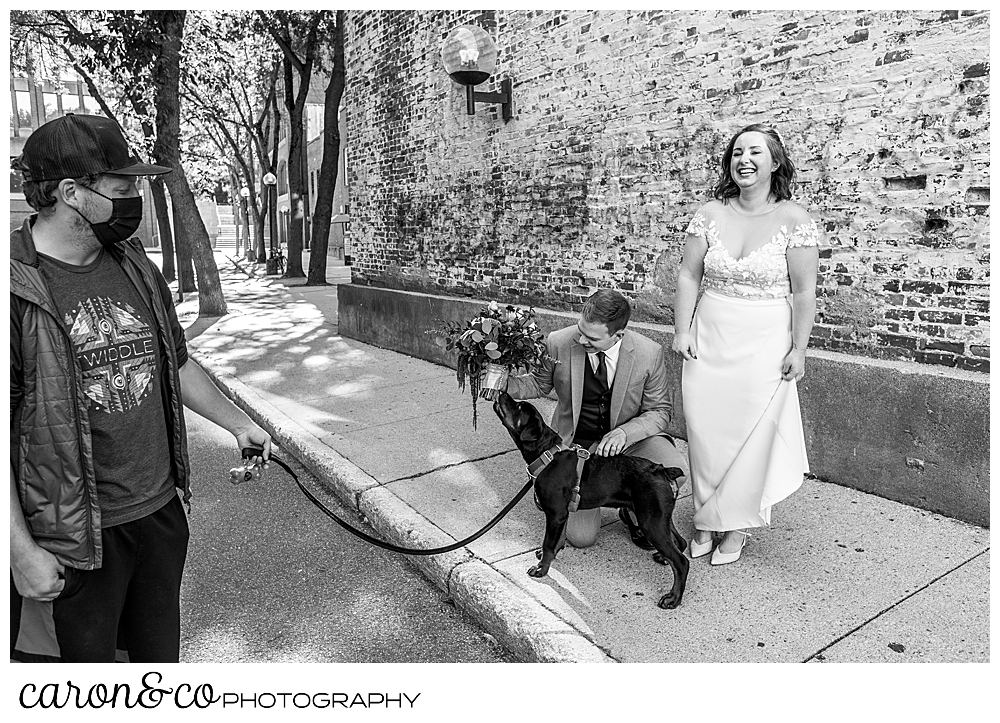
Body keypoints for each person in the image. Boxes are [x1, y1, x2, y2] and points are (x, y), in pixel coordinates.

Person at [10, 113, 272, 663]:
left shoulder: (134, 264)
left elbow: (172, 362)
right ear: (70, 192)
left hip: (158, 516)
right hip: (73, 540)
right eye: (122, 186)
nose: (136, 198)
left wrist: (241, 424)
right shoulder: (14, 289)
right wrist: (19, 549)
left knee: (157, 667)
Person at [671, 123, 820, 565]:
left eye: (755, 151)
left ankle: (734, 525)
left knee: (748, 434)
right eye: (737, 152)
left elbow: (805, 292)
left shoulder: (795, 220)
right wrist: (682, 329)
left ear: (775, 162)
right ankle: (705, 517)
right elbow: (688, 275)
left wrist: (799, 348)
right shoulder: (710, 213)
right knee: (705, 431)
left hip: (766, 338)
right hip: (710, 332)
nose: (744, 159)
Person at [505, 289, 687, 549]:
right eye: (580, 330)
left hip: (628, 443)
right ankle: (555, 490)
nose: (581, 339)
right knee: (581, 538)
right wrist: (501, 383)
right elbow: (538, 384)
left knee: (673, 473)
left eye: (591, 338)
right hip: (576, 448)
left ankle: (635, 513)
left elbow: (660, 411)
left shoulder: (649, 353)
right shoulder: (558, 342)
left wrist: (625, 433)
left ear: (618, 335)